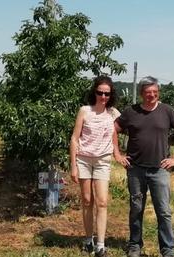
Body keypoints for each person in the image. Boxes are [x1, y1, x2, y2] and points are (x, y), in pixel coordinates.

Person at [114, 76, 174, 257]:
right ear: (141, 93)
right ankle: (134, 245)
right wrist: (117, 154)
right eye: (148, 92)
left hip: (159, 170)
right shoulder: (130, 112)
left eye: (155, 92)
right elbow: (113, 129)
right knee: (136, 209)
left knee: (163, 211)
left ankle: (167, 250)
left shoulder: (167, 111)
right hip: (136, 169)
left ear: (158, 93)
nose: (151, 95)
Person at [70, 75, 120, 257]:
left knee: (103, 202)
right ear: (95, 92)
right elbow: (75, 139)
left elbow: (116, 135)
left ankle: (100, 244)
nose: (103, 97)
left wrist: (118, 153)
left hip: (102, 161)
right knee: (86, 200)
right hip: (84, 159)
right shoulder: (85, 111)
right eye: (100, 93)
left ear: (111, 95)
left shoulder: (113, 113)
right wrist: (73, 166)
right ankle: (87, 239)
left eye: (107, 94)